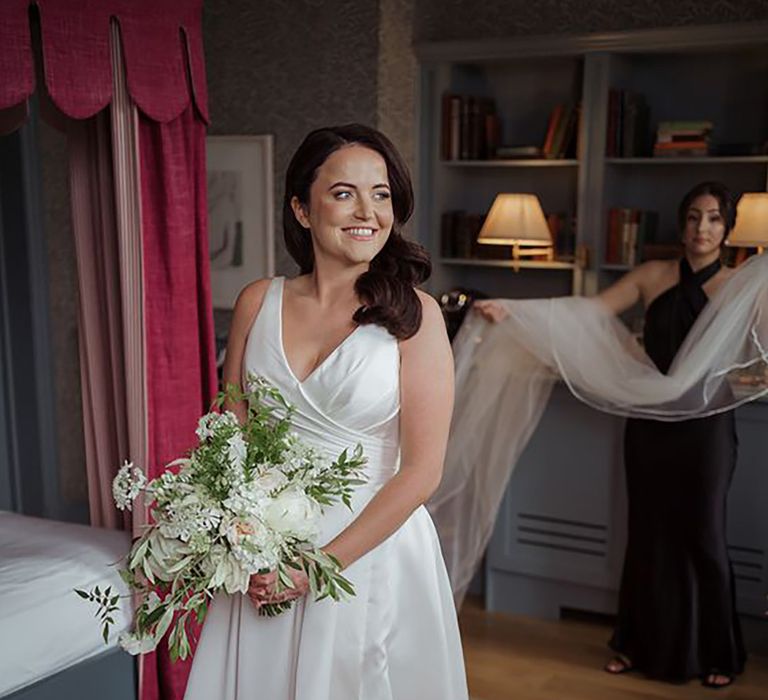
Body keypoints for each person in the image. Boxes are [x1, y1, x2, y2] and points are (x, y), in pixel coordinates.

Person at [184, 124, 468, 700]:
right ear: (302, 209)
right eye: (344, 193)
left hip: (370, 551)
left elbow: (422, 471)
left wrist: (315, 567)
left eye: (381, 193)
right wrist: (227, 536)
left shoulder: (416, 316)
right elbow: (229, 436)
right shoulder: (258, 302)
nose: (368, 211)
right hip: (264, 551)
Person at [474, 181, 746, 688]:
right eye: (692, 217)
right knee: (646, 532)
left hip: (708, 426)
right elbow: (590, 311)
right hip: (649, 422)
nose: (701, 228)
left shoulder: (741, 285)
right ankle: (633, 644)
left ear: (728, 228)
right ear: (681, 223)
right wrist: (518, 309)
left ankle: (718, 653)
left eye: (712, 218)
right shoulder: (652, 275)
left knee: (704, 536)